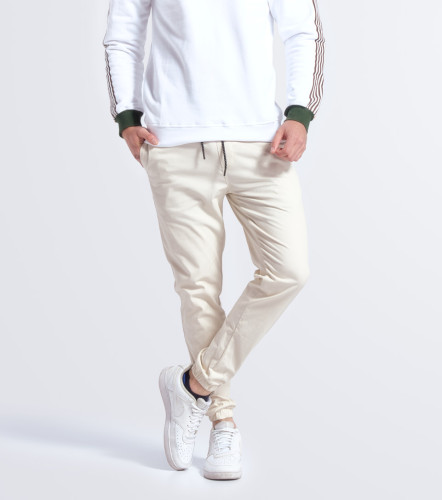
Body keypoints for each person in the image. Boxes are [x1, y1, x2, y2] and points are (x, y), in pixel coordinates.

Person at [103, 0, 325, 481]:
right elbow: (123, 31)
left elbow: (303, 29)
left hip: (261, 141)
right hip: (174, 143)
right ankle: (222, 421)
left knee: (289, 271)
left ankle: (193, 386)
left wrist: (299, 111)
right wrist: (126, 113)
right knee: (198, 288)